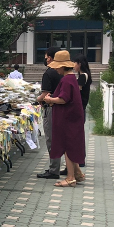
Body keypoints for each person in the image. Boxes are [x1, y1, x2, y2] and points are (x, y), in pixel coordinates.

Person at [43, 50, 86, 187]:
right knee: (72, 146)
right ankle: (77, 173)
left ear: (61, 66)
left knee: (68, 147)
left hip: (68, 118)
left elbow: (63, 99)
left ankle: (70, 178)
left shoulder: (67, 80)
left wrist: (50, 99)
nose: (55, 69)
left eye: (56, 67)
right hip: (72, 117)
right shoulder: (72, 78)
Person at [60, 55, 91, 174]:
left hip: (79, 108)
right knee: (77, 135)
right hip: (82, 108)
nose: (73, 66)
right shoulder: (84, 76)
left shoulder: (83, 77)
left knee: (75, 136)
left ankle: (78, 162)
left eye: (75, 63)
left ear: (80, 64)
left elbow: (75, 93)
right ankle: (76, 164)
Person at [36, 47, 62, 179]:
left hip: (51, 109)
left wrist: (37, 99)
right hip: (62, 109)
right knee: (61, 139)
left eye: (46, 58)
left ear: (51, 58)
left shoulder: (49, 73)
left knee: (51, 139)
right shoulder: (64, 73)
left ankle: (53, 170)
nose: (45, 60)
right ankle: (65, 168)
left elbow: (45, 94)